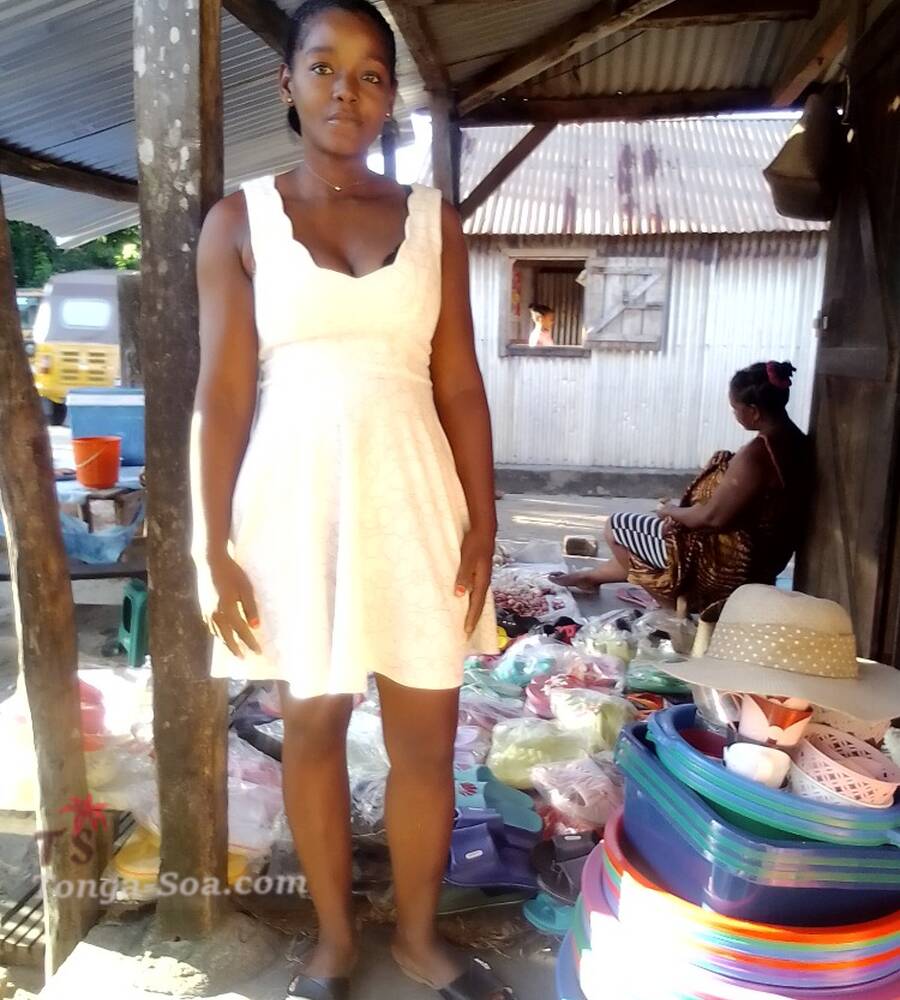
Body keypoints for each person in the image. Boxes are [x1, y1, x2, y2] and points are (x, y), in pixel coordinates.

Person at [189, 2, 505, 997]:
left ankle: (415, 935)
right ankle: (332, 940)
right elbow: (221, 397)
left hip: (417, 502)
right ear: (286, 83)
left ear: (388, 96)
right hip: (294, 510)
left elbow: (459, 383)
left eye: (371, 74)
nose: (346, 91)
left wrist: (486, 519)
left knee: (425, 743)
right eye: (324, 67)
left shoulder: (433, 221)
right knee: (313, 729)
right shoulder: (238, 223)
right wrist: (212, 543)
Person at [550, 361, 812, 612]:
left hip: (730, 564)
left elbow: (711, 518)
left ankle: (671, 607)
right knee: (644, 541)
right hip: (766, 558)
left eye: (736, 409)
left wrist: (671, 511)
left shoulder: (757, 454)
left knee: (617, 527)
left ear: (754, 411)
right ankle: (591, 577)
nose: (734, 414)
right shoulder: (795, 441)